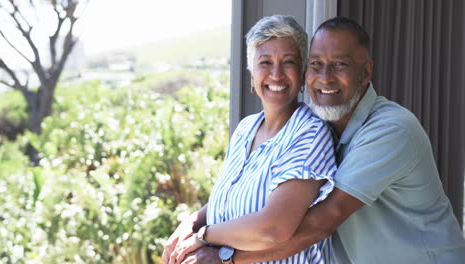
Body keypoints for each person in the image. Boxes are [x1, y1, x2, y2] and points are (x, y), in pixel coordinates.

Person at [180, 16, 465, 264]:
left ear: (365, 72)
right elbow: (245, 192)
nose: (325, 78)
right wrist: (193, 223)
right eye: (316, 64)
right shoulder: (322, 127)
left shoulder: (390, 130)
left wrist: (226, 258)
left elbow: (320, 222)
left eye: (340, 64)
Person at [162, 15, 338, 264]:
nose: (276, 74)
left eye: (288, 62)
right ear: (251, 75)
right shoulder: (245, 129)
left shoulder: (310, 134)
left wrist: (204, 236)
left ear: (301, 72)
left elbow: (274, 228)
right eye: (265, 62)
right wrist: (190, 223)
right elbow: (226, 202)